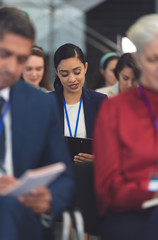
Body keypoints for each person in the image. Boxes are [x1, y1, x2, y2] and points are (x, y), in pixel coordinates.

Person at [0, 6, 74, 240]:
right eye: (4, 54)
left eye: (21, 59)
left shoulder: (41, 105)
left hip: (23, 218)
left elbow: (65, 177)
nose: (12, 67)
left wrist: (48, 198)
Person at [94, 14, 158, 240]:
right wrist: (152, 191)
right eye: (153, 60)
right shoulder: (114, 110)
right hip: (132, 216)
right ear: (139, 60)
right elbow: (107, 191)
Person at [51, 43, 106, 163]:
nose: (72, 79)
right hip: (57, 174)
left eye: (77, 72)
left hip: (90, 174)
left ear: (85, 67)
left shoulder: (100, 102)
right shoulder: (46, 103)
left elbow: (112, 145)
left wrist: (98, 159)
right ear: (56, 72)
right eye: (64, 74)